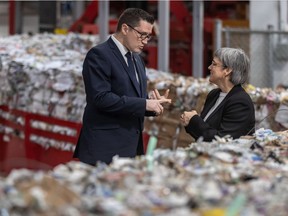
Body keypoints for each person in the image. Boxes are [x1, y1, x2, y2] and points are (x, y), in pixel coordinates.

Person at [73, 8, 171, 165]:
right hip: (104, 149)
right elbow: (100, 98)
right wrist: (144, 103)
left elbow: (130, 98)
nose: (145, 41)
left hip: (131, 148)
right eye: (142, 35)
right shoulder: (99, 55)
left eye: (149, 37)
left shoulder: (137, 60)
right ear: (125, 29)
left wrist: (151, 104)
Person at [180, 47, 255, 141]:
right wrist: (189, 122)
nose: (209, 67)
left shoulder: (240, 102)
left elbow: (223, 139)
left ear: (227, 71)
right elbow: (204, 132)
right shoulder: (214, 95)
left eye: (214, 64)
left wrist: (193, 120)